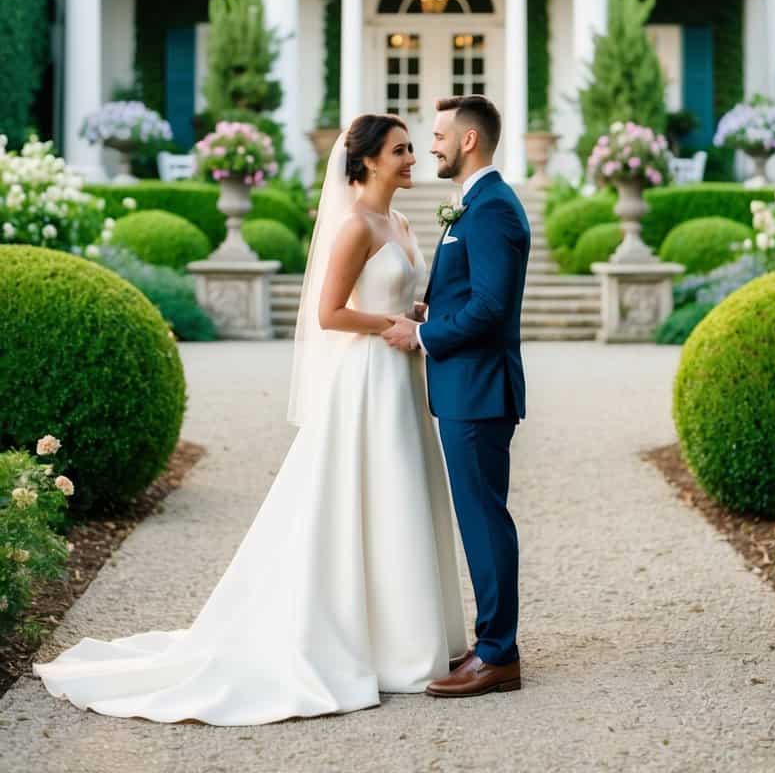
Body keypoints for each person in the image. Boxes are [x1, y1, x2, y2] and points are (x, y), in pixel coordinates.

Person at [33, 115, 467, 726]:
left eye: (411, 149)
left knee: (403, 497)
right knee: (367, 496)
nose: (412, 158)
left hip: (401, 378)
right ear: (367, 162)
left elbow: (392, 298)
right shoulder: (352, 226)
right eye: (400, 151)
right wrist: (394, 327)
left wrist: (417, 314)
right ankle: (364, 643)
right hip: (368, 379)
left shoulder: (397, 222)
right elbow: (329, 314)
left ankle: (407, 639)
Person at [384, 95, 530, 697]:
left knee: (483, 519)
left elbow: (493, 307)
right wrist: (431, 307)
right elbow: (472, 292)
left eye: (439, 135)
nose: (431, 146)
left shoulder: (493, 207)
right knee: (477, 518)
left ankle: (499, 655)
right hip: (465, 388)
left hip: (479, 389)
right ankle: (491, 642)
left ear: (469, 141)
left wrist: (421, 334)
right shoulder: (473, 205)